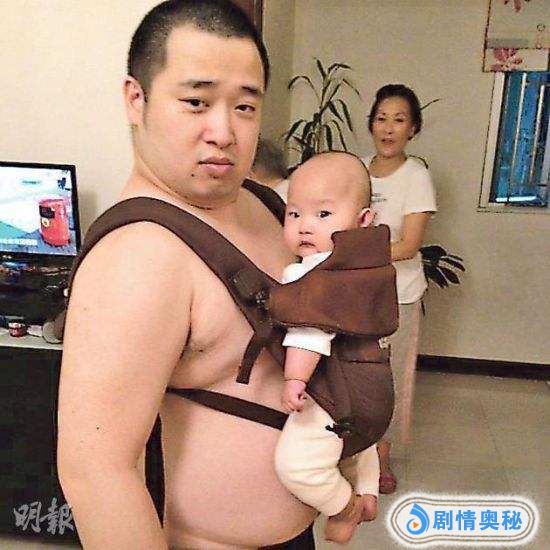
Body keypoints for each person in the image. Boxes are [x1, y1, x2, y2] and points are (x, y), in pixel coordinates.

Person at [57, 1, 318, 548]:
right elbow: (96, 474)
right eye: (196, 102)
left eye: (244, 107)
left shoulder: (267, 205)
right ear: (137, 99)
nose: (223, 131)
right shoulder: (140, 257)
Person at [274, 152, 379, 545]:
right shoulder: (366, 266)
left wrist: (294, 378)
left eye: (322, 214)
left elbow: (310, 332)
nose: (304, 226)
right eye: (294, 213)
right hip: (368, 386)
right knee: (355, 437)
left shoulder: (314, 274)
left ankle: (346, 506)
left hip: (331, 387)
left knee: (297, 465)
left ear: (363, 221)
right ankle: (367, 489)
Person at [361, 84, 437, 494]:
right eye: (381, 119)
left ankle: (382, 459)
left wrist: (355, 251)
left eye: (399, 120)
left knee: (389, 378)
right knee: (351, 372)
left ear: (413, 129)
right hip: (355, 293)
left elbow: (408, 246)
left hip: (398, 295)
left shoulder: (416, 176)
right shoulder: (355, 169)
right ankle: (350, 452)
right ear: (371, 124)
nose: (388, 128)